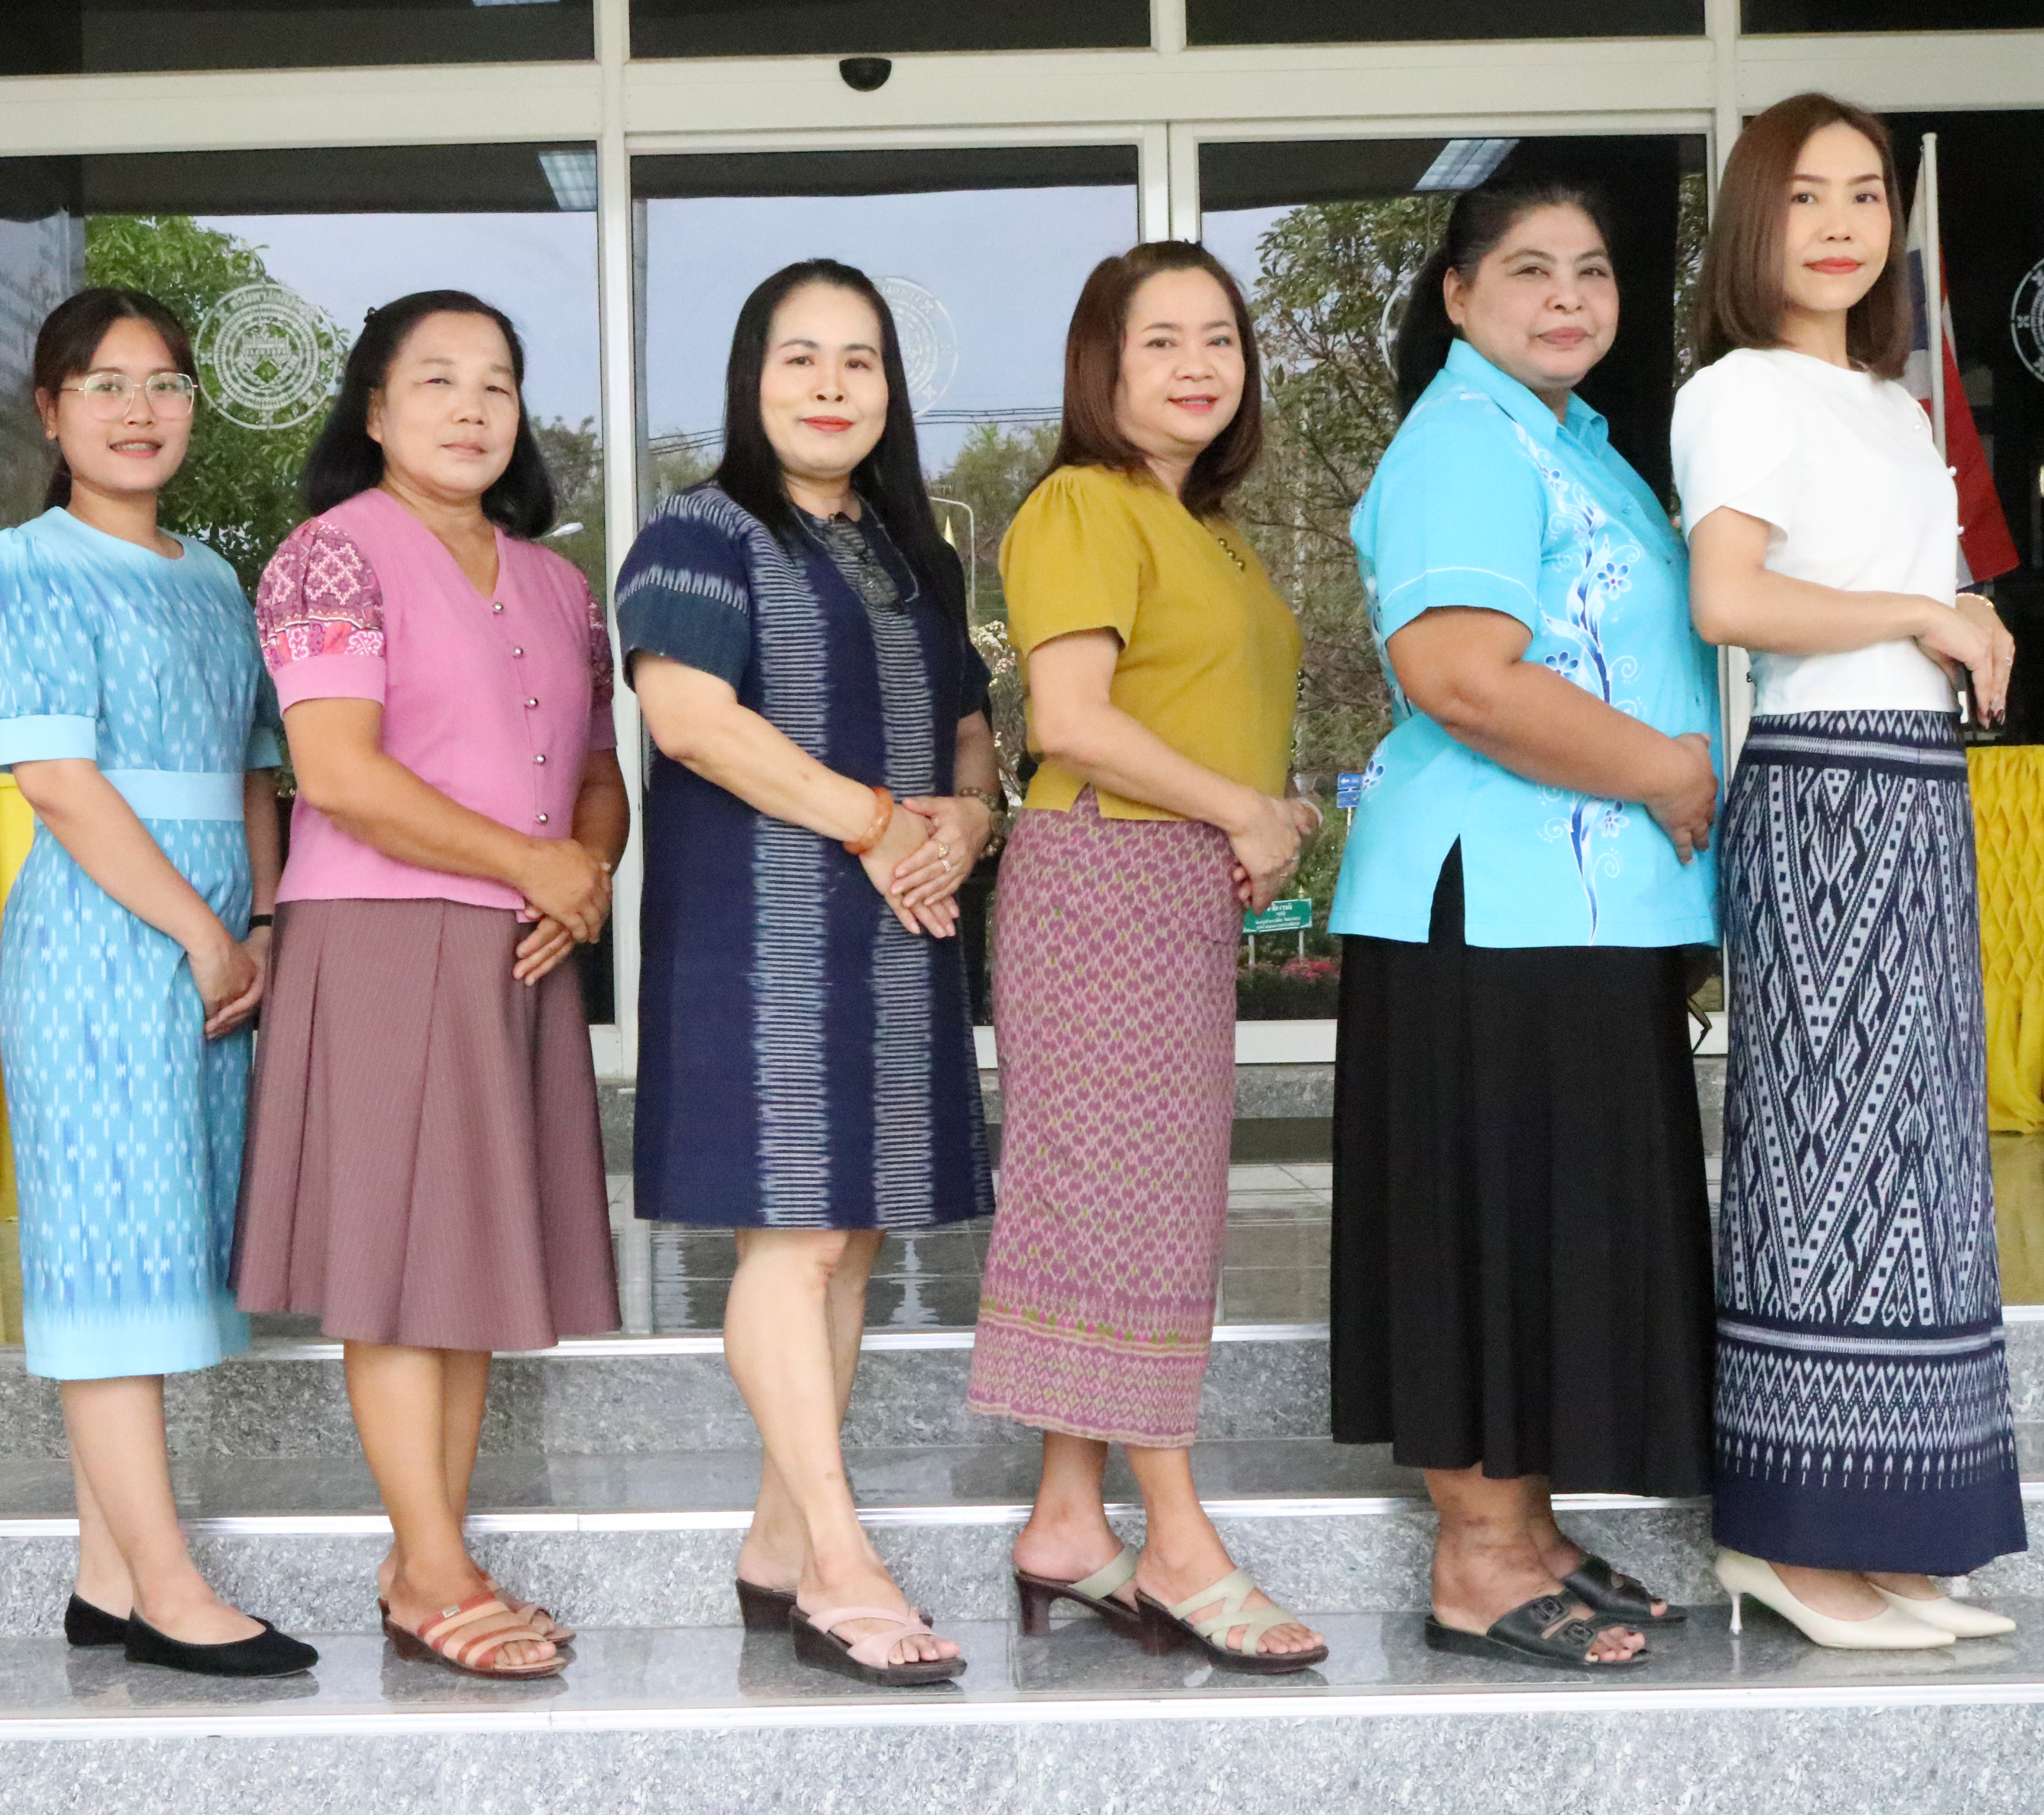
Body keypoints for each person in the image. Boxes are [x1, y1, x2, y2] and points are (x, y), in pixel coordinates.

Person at [1325, 172, 1723, 1670]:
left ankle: (1532, 1526)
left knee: (1546, 1225)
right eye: (1530, 270)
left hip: (1576, 910)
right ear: (1458, 294)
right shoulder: (1462, 441)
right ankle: (1478, 1559)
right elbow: (1459, 675)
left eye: (1594, 272)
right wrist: (1668, 773)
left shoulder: (1574, 442)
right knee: (1483, 1227)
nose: (1569, 298)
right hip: (1485, 909)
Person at [233, 290, 624, 1682]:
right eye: (438, 380)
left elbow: (597, 772)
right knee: (401, 1271)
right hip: (387, 940)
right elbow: (338, 775)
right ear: (377, 410)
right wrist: (538, 865)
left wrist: (584, 873)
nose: (471, 407)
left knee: (464, 1262)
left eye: (497, 383)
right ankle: (437, 1567)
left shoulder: (560, 586)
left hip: (519, 947)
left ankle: (425, 1564)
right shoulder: (331, 557)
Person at [615, 259, 995, 1689]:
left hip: (900, 929)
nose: (832, 386)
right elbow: (691, 720)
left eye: (859, 361)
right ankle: (841, 1558)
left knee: (858, 1238)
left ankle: (779, 1547)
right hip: (755, 932)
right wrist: (881, 823)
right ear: (750, 381)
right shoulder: (698, 533)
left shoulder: (914, 555)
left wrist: (967, 820)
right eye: (801, 358)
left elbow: (970, 730)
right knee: (797, 1240)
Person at [1676, 92, 2025, 1649]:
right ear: (1755, 219)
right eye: (1806, 194)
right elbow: (1730, 601)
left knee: (1923, 1163)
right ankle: (1792, 1541)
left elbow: (1900, 589)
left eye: (1866, 194)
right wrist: (1925, 612)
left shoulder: (1889, 401)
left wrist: (1961, 614)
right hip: (1825, 789)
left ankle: (1894, 1534)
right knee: (1824, 1160)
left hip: (1917, 784)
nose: (1839, 223)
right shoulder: (1740, 389)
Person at [966, 241, 1328, 1673]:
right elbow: (1069, 721)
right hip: (1102, 878)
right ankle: (1177, 1541)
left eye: (1219, 339)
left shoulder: (1211, 527)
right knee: (1133, 1211)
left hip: (1168, 884)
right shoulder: (1083, 503)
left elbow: (1202, 713)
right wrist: (1244, 808)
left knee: (1129, 1200)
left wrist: (1267, 815)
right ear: (1101, 368)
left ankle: (1067, 1518)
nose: (1196, 365)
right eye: (1160, 341)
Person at [0, 287, 314, 1679]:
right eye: (104, 384)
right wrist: (202, 933)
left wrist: (266, 923)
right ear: (51, 411)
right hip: (104, 949)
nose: (139, 409)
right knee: (110, 1259)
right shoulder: (27, 562)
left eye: (165, 382)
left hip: (218, 954)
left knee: (163, 1249)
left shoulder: (217, 580)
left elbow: (255, 772)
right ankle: (170, 1589)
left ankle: (104, 1578)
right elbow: (58, 781)